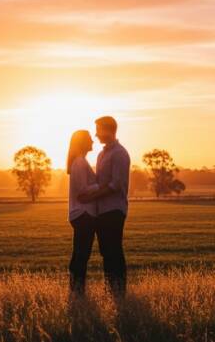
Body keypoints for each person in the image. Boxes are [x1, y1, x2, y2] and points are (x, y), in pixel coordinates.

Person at [79, 116, 130, 299]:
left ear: (109, 130)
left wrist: (92, 196)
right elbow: (99, 183)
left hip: (114, 210)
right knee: (106, 252)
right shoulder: (102, 154)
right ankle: (112, 292)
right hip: (102, 211)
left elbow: (115, 185)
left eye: (99, 129)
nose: (96, 134)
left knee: (114, 251)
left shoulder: (119, 154)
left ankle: (119, 293)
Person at [66, 129, 100, 296]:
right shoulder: (79, 162)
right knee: (82, 255)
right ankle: (78, 292)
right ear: (82, 143)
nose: (93, 141)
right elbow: (82, 190)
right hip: (83, 214)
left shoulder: (80, 161)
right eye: (89, 139)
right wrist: (101, 185)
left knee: (79, 254)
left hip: (81, 214)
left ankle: (76, 291)